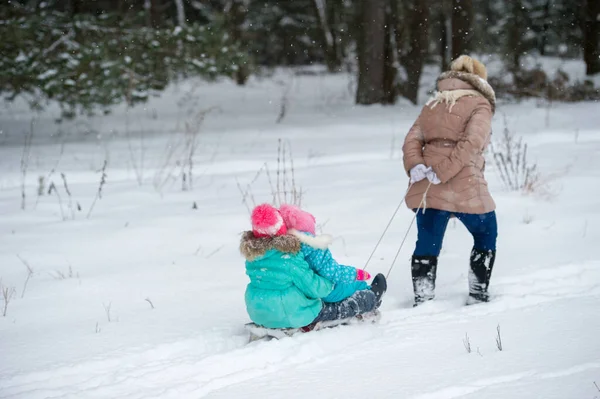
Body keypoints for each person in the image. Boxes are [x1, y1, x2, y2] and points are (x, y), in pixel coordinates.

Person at [402, 55, 498, 306]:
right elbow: (472, 143)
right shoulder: (480, 104)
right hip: (464, 179)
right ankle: (478, 294)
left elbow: (412, 138)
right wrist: (444, 171)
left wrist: (416, 166)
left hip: (428, 183)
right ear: (479, 79)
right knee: (487, 231)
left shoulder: (433, 102)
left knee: (428, 239)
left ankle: (423, 298)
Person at [241, 204, 386, 329]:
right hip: (290, 313)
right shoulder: (288, 257)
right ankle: (371, 298)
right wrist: (330, 284)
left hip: (258, 311)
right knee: (340, 308)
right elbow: (314, 287)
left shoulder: (253, 257)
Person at [279, 204, 383, 304]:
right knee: (354, 285)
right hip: (324, 292)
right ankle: (372, 296)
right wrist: (355, 274)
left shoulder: (279, 249)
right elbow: (332, 272)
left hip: (299, 293)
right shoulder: (313, 247)